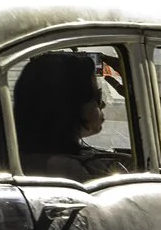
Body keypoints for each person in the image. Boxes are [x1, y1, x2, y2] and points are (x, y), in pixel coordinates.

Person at [13, 50, 131, 182]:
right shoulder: (65, 167)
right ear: (71, 103)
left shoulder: (27, 156)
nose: (102, 104)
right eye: (97, 96)